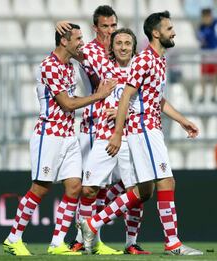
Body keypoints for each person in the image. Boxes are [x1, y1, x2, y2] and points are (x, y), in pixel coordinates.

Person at [80, 11, 204, 256]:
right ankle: (173, 243)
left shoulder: (159, 59)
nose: (174, 32)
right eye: (169, 29)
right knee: (167, 181)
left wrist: (182, 121)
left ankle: (92, 223)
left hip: (149, 126)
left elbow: (157, 99)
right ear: (156, 33)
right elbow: (127, 94)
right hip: (144, 128)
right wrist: (117, 133)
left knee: (143, 191)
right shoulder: (145, 60)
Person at [2, 23, 116, 256]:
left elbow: (73, 95)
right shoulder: (49, 66)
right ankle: (13, 238)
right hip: (49, 135)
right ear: (64, 41)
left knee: (74, 187)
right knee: (40, 188)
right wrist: (99, 96)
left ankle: (57, 243)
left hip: (68, 135)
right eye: (77, 38)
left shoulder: (70, 66)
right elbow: (67, 103)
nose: (81, 43)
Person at [55, 5, 139, 255]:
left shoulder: (125, 53)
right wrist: (61, 25)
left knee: (125, 185)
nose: (110, 31)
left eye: (113, 26)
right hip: (94, 123)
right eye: (105, 26)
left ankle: (125, 240)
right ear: (96, 28)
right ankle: (81, 237)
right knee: (90, 185)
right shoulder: (89, 50)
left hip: (122, 125)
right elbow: (66, 47)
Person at [81, 28, 151, 255]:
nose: (122, 47)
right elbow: (77, 51)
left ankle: (131, 242)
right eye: (118, 43)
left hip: (132, 138)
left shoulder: (140, 70)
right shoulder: (105, 67)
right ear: (111, 47)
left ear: (133, 47)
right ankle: (85, 240)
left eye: (127, 43)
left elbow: (150, 104)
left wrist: (125, 113)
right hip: (104, 136)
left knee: (135, 192)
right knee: (89, 189)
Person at [197, 1, 217, 103]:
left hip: (214, 52)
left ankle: (214, 95)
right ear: (202, 17)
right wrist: (202, 38)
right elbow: (199, 38)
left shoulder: (213, 24)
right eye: (205, 17)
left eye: (209, 16)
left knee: (214, 74)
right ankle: (202, 94)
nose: (207, 19)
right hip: (205, 54)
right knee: (204, 74)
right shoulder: (201, 28)